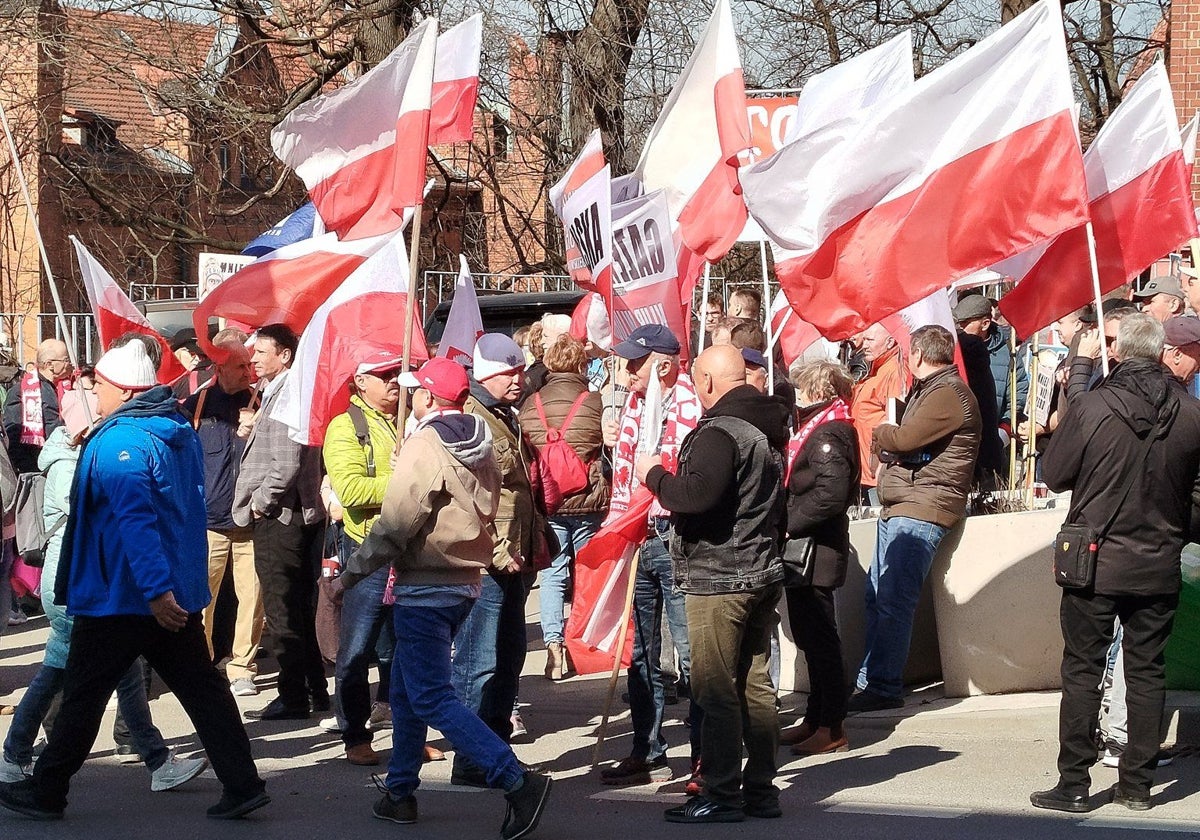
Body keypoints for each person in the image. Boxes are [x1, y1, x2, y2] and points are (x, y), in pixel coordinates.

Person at [0, 339, 268, 820]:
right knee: (203, 691)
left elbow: (137, 523)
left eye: (100, 383)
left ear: (124, 391)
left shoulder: (122, 440)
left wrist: (155, 592)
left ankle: (46, 790)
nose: (92, 390)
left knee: (82, 694)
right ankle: (243, 783)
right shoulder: (170, 430)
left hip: (123, 596)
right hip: (161, 594)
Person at [340, 357, 553, 836]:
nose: (408, 394)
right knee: (406, 691)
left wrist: (347, 576)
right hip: (463, 581)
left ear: (428, 397)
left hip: (425, 584)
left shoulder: (426, 444)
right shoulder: (481, 438)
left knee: (432, 695)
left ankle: (516, 780)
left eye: (415, 389)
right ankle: (399, 792)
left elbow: (395, 525)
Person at [1031, 313, 1200, 813]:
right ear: (1161, 353)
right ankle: (1136, 787)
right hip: (1158, 559)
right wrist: (1171, 524)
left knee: (1083, 670)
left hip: (1095, 561)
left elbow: (1056, 474)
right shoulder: (1192, 414)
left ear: (1122, 352)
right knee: (1147, 672)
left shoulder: (1093, 405)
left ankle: (1074, 784)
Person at [0, 389, 209, 793]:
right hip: (83, 585)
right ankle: (23, 759)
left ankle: (143, 755)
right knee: (74, 681)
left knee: (92, 679)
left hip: (99, 586)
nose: (98, 413)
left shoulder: (99, 449)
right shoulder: (78, 460)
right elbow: (126, 518)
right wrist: (155, 587)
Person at [636, 344, 789, 823]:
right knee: (754, 684)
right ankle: (760, 790)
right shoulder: (767, 424)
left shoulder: (721, 431)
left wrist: (654, 476)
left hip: (721, 577)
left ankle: (722, 794)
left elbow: (696, 495)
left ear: (705, 383)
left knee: (717, 689)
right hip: (758, 568)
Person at [849, 325, 980, 713]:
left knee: (893, 599)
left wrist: (883, 432)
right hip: (904, 504)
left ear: (918, 355)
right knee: (877, 597)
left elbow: (904, 439)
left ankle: (884, 685)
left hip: (922, 507)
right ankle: (870, 680)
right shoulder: (933, 389)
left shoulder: (947, 393)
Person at [600, 324, 702, 788]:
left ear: (662, 364)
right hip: (638, 535)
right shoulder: (638, 406)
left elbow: (680, 473)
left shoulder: (686, 403)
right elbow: (625, 476)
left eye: (634, 363)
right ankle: (647, 747)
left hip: (674, 535)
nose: (625, 372)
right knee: (641, 650)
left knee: (691, 651)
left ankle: (705, 757)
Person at [452, 333, 543, 786]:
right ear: (488, 374)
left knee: (508, 659)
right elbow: (468, 498)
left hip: (513, 557)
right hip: (487, 561)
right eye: (510, 373)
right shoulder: (473, 418)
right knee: (478, 662)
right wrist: (500, 549)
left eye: (520, 371)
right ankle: (471, 759)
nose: (519, 380)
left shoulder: (505, 414)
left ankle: (496, 750)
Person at [233, 324, 327, 721]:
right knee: (298, 608)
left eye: (260, 353)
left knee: (284, 607)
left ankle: (293, 694)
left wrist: (260, 504)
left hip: (282, 517)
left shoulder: (289, 393)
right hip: (291, 513)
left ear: (285, 355)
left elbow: (286, 463)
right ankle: (314, 690)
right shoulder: (281, 391)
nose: (252, 359)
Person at [322, 349, 402, 766]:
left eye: (398, 372)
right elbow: (351, 491)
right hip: (369, 553)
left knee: (401, 650)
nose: (394, 380)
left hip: (409, 550)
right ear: (361, 382)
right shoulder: (344, 428)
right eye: (385, 373)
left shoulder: (404, 419)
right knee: (356, 650)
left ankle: (405, 735)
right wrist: (407, 479)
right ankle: (355, 734)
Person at [518, 334, 608, 681]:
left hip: (549, 501)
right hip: (587, 498)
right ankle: (582, 640)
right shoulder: (594, 402)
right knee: (587, 572)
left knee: (553, 574)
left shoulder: (531, 404)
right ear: (581, 365)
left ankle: (553, 646)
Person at [780, 360, 859, 756]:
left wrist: (788, 524)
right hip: (807, 549)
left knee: (821, 639)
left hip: (815, 549)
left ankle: (832, 724)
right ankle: (815, 718)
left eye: (800, 388)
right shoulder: (823, 427)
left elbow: (829, 494)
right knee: (811, 638)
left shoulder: (829, 432)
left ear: (815, 390)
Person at [181, 329, 262, 697]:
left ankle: (242, 666)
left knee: (253, 597)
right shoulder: (196, 404)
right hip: (209, 522)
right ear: (220, 367)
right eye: (241, 365)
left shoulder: (259, 404)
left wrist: (252, 432)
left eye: (250, 363)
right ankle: (203, 664)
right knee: (204, 599)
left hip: (250, 521)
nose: (249, 371)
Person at [954, 293, 1029, 434]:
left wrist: (1005, 428)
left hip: (992, 435)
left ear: (985, 324)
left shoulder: (1008, 352)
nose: (960, 328)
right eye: (958, 323)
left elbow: (1018, 392)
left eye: (965, 323)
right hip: (959, 438)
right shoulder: (954, 350)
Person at [850, 324, 902, 503]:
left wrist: (884, 464)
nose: (864, 345)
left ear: (890, 342)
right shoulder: (878, 368)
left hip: (878, 472)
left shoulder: (893, 371)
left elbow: (895, 422)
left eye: (870, 340)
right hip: (866, 469)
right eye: (863, 339)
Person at [3, 339, 71, 474]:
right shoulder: (22, 392)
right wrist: (31, 470)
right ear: (50, 364)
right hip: (36, 469)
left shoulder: (66, 387)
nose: (70, 364)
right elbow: (13, 437)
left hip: (61, 463)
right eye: (66, 359)